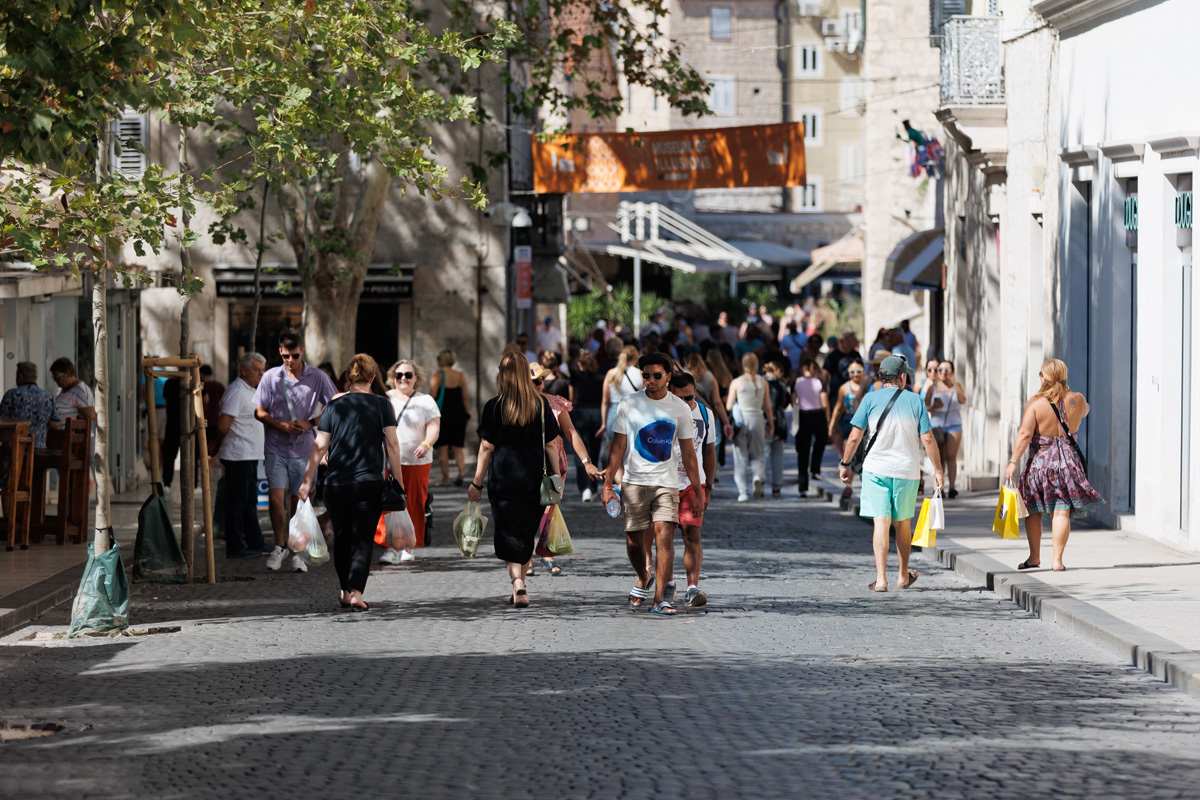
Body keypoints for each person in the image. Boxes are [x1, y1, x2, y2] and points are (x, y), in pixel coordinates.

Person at [299, 354, 404, 612]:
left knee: (343, 538)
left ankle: (345, 592)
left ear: (347, 378)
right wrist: (398, 481)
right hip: (368, 482)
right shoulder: (382, 405)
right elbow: (392, 445)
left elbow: (319, 446)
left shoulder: (334, 406)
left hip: (336, 484)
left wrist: (307, 481)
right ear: (371, 378)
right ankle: (356, 592)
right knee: (362, 539)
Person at [600, 354, 702, 616]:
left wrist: (700, 490)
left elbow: (689, 454)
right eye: (646, 375)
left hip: (666, 484)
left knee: (664, 537)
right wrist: (608, 484)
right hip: (634, 482)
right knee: (634, 543)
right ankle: (643, 575)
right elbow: (618, 447)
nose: (651, 380)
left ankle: (659, 599)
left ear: (669, 376)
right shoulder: (629, 404)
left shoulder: (679, 408)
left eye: (657, 375)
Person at [839, 354, 943, 592]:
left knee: (881, 522)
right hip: (907, 470)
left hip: (876, 469)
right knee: (903, 524)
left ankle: (882, 579)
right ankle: (903, 576)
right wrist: (938, 470)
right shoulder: (915, 401)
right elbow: (927, 438)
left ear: (882, 376)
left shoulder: (869, 399)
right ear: (903, 377)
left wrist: (845, 463)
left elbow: (855, 436)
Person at [468, 352, 561, 609]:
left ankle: (517, 582)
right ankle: (520, 580)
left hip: (503, 477)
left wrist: (476, 483)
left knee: (507, 530)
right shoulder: (541, 404)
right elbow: (551, 445)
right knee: (526, 532)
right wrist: (556, 479)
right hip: (534, 477)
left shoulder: (494, 406)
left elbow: (486, 448)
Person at [1005, 359, 1103, 571]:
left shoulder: (1035, 403)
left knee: (1033, 509)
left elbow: (1024, 434)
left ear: (1043, 377)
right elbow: (1086, 410)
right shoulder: (1077, 398)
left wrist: (1013, 462)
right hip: (1068, 462)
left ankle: (1034, 557)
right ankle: (1057, 561)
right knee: (1061, 511)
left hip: (1040, 462)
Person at [253, 327, 338, 573]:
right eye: (285, 356)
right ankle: (279, 545)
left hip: (304, 449)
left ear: (302, 351)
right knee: (275, 499)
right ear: (280, 352)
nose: (290, 361)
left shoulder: (318, 377)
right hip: (276, 447)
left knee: (299, 502)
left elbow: (335, 406)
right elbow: (258, 411)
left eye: (294, 356)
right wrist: (279, 424)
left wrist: (310, 423)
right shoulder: (270, 377)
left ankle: (297, 550)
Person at [532, 362, 603, 574]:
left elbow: (571, 433)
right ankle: (525, 559)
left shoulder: (554, 404)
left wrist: (586, 462)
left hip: (552, 462)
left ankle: (547, 554)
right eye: (535, 381)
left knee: (549, 506)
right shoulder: (516, 404)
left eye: (542, 380)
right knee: (526, 510)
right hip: (524, 463)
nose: (540, 384)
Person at [379, 359, 440, 564]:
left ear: (416, 378)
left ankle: (408, 545)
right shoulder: (383, 399)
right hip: (387, 460)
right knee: (387, 503)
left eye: (408, 375)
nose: (403, 379)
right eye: (399, 375)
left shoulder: (426, 401)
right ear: (392, 378)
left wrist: (426, 444)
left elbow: (434, 427)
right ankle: (390, 547)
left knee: (414, 502)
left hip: (416, 461)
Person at [211, 353, 268, 558]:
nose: (261, 374)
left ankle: (255, 542)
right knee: (237, 502)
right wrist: (217, 445)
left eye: (262, 370)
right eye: (257, 370)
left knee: (249, 501)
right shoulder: (236, 391)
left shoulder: (250, 391)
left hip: (249, 454)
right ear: (244, 370)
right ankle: (235, 545)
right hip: (238, 454)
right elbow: (224, 424)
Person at [669, 372, 716, 608]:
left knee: (692, 535)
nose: (684, 403)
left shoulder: (706, 414)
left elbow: (709, 452)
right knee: (664, 538)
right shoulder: (662, 411)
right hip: (665, 483)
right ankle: (667, 583)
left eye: (688, 397)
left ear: (695, 392)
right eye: (679, 398)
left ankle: (692, 587)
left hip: (693, 484)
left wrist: (707, 489)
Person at [726, 352, 773, 502]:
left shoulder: (737, 382)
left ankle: (743, 492)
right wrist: (771, 424)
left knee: (740, 456)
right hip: (758, 418)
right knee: (758, 454)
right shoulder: (763, 382)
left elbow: (728, 406)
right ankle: (757, 476)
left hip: (741, 420)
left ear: (743, 364)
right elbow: (768, 406)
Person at [925, 360, 966, 498]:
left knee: (951, 455)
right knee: (939, 457)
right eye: (940, 370)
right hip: (937, 425)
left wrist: (953, 381)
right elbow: (925, 406)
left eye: (946, 370)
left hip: (954, 424)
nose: (943, 373)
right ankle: (938, 487)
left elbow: (962, 400)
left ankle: (952, 486)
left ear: (952, 372)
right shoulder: (933, 387)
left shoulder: (956, 386)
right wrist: (934, 406)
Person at [428, 349, 469, 487]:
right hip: (459, 414)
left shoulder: (437, 375)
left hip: (443, 415)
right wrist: (467, 414)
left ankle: (446, 479)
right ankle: (461, 473)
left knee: (443, 448)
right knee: (457, 447)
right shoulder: (460, 375)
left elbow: (432, 395)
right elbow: (465, 397)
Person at [827, 357, 865, 500]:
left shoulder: (869, 386)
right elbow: (838, 408)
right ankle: (848, 486)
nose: (856, 374)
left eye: (859, 371)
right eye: (852, 372)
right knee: (849, 453)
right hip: (849, 421)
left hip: (867, 423)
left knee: (864, 455)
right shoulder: (844, 388)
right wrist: (831, 425)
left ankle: (864, 487)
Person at [568, 350, 605, 502]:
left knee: (582, 452)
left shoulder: (576, 376)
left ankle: (585, 488)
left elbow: (571, 397)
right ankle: (594, 484)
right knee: (595, 450)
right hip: (596, 413)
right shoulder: (601, 378)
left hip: (581, 413)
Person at [0, 362, 60, 449]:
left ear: (19, 376)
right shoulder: (48, 397)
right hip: (39, 450)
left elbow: (2, 421)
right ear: (35, 377)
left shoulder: (11, 395)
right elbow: (55, 423)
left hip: (14, 451)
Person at [793, 357, 830, 497]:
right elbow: (825, 402)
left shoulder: (796, 382)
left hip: (803, 416)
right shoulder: (820, 382)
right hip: (818, 414)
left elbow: (793, 401)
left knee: (803, 451)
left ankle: (803, 485)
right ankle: (815, 469)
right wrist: (827, 419)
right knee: (820, 442)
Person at [598, 344, 643, 448]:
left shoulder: (611, 373)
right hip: (635, 412)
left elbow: (605, 402)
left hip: (614, 413)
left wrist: (604, 423)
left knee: (615, 453)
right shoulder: (640, 374)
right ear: (636, 358)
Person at [685, 353, 734, 441]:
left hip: (689, 415)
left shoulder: (684, 375)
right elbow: (717, 402)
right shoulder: (709, 376)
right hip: (707, 415)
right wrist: (726, 422)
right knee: (712, 442)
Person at [763, 359, 790, 497]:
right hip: (779, 421)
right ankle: (777, 485)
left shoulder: (761, 382)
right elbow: (785, 402)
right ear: (778, 371)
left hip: (764, 420)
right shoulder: (781, 384)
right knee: (778, 455)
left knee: (763, 454)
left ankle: (760, 482)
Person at [705, 348, 735, 467]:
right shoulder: (726, 375)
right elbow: (730, 394)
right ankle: (715, 465)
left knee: (712, 438)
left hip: (709, 408)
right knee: (718, 438)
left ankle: (711, 466)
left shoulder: (707, 375)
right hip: (720, 409)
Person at [48, 358, 96, 430]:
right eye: (53, 377)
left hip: (68, 438)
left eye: (56, 376)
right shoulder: (61, 389)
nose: (54, 380)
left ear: (68, 374)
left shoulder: (80, 390)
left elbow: (91, 416)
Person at [822, 330, 861, 402]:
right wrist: (824, 391)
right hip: (836, 394)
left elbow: (861, 371)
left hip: (852, 394)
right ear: (845, 340)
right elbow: (825, 373)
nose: (855, 341)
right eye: (853, 339)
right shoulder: (833, 355)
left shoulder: (856, 355)